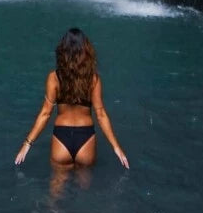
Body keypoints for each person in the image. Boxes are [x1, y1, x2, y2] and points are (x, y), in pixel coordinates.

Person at [14, 27, 129, 169]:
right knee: (84, 189)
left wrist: (27, 144)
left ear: (62, 51)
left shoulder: (54, 78)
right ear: (86, 50)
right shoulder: (93, 79)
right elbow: (101, 115)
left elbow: (45, 113)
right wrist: (116, 147)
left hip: (61, 137)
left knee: (56, 189)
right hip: (85, 136)